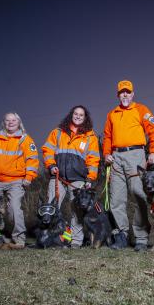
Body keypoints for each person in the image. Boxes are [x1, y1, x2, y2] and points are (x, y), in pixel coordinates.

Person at [103, 80, 154, 251]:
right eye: (122, 92)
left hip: (136, 155)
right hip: (116, 157)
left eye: (128, 92)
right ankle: (121, 235)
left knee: (139, 196)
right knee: (116, 199)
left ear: (133, 93)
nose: (125, 95)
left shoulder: (141, 109)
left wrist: (153, 151)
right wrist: (107, 154)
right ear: (118, 94)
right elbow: (107, 136)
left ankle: (141, 238)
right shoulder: (112, 113)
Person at [0, 112, 39, 248]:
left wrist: (29, 177)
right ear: (4, 123)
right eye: (7, 120)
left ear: (19, 123)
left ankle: (19, 240)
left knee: (14, 209)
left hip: (16, 181)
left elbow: (32, 160)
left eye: (13, 120)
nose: (10, 123)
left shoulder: (25, 139)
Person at [42, 105, 100, 248]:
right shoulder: (58, 132)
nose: (78, 116)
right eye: (76, 114)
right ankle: (47, 238)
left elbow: (93, 159)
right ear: (71, 115)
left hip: (79, 180)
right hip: (58, 177)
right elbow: (47, 150)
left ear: (85, 117)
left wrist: (90, 178)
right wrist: (50, 165)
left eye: (81, 115)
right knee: (51, 208)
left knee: (77, 211)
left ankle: (75, 241)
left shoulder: (90, 136)